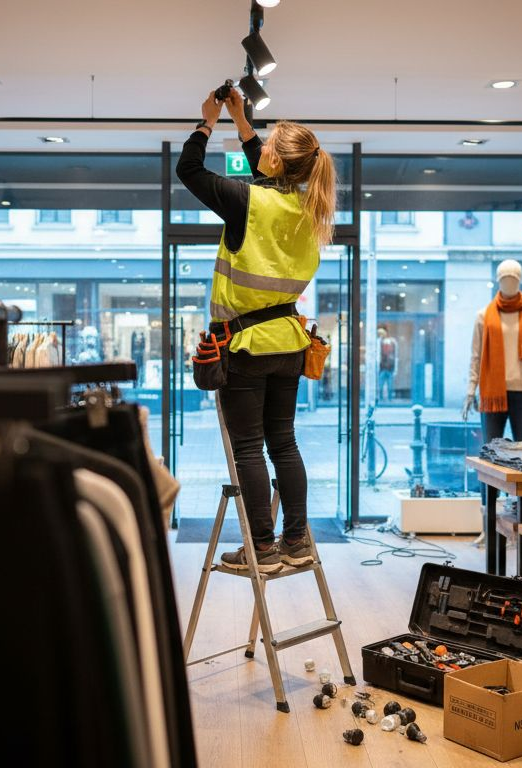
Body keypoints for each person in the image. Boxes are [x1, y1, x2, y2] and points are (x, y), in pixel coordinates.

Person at [176, 86, 335, 573]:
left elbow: (189, 171)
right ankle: (296, 542)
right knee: (283, 442)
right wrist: (242, 122)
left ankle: (261, 549)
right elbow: (270, 175)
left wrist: (207, 123)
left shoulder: (249, 201)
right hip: (288, 341)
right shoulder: (307, 211)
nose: (259, 148)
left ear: (275, 160)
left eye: (266, 144)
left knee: (248, 448)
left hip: (244, 345)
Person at [377, 326, 397, 401]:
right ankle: (382, 398)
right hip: (382, 368)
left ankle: (389, 398)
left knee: (389, 384)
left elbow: (395, 355)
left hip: (389, 368)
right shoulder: (379, 342)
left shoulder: (392, 342)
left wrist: (395, 368)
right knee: (381, 384)